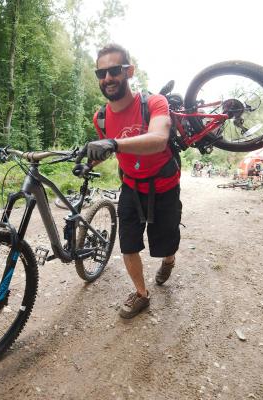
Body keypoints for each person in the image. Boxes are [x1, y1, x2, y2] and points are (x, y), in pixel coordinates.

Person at [83, 43, 181, 319]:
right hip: (131, 187)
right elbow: (107, 150)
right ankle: (141, 294)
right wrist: (88, 162)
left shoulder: (154, 103)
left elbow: (159, 140)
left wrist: (113, 143)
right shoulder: (100, 117)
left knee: (166, 242)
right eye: (101, 73)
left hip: (164, 186)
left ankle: (169, 260)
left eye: (114, 70)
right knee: (128, 244)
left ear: (129, 71)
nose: (107, 78)